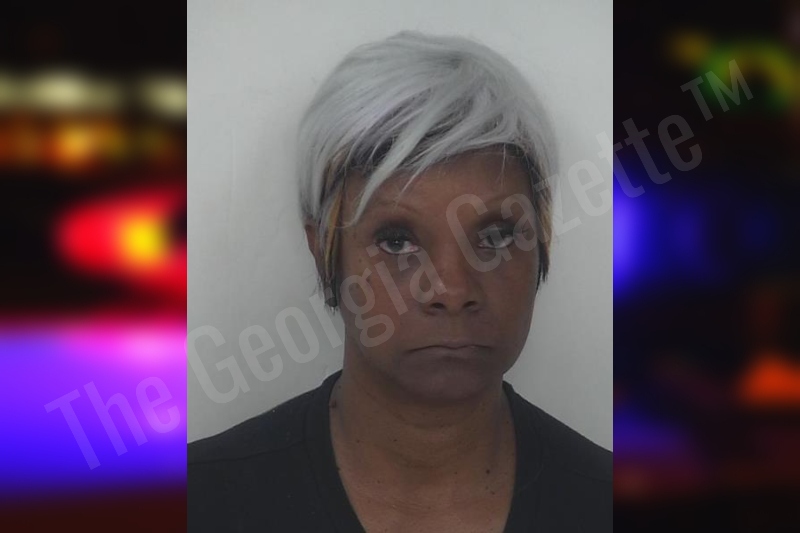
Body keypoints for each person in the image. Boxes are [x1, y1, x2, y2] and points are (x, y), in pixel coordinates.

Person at [188, 31, 611, 532]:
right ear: (324, 251)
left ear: (540, 240)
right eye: (396, 241)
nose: (452, 290)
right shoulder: (201, 503)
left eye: (496, 236)